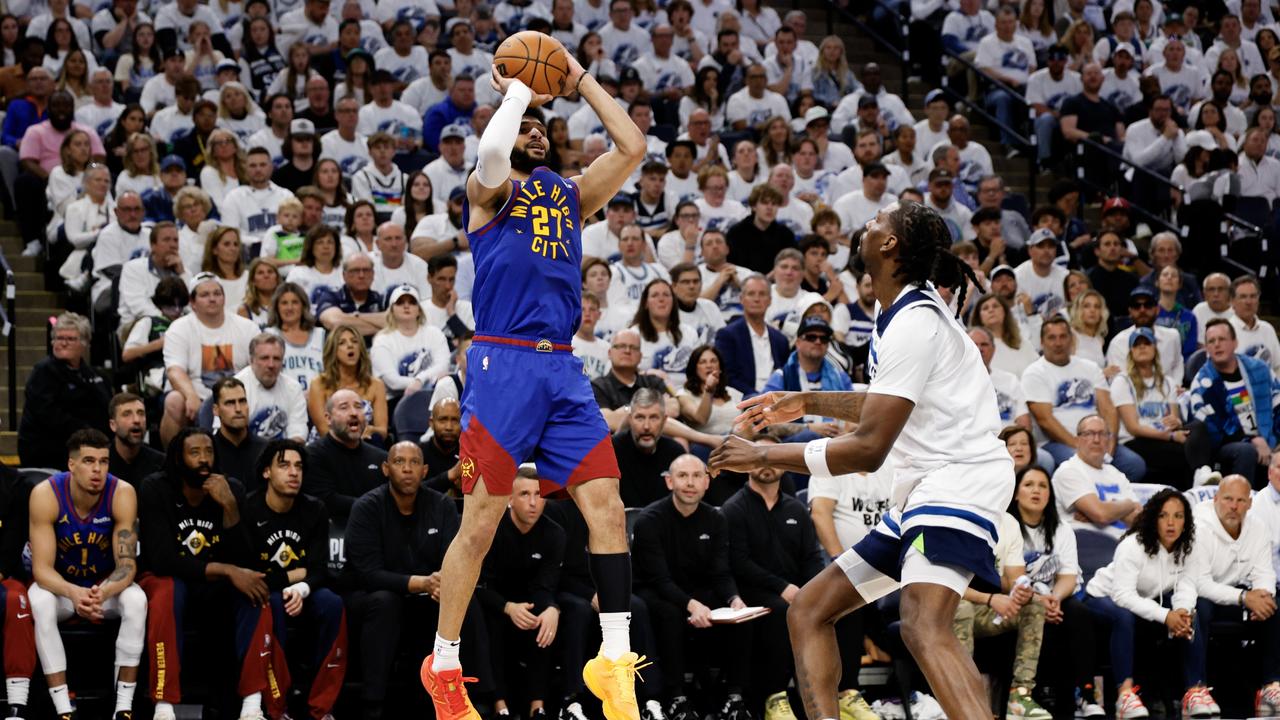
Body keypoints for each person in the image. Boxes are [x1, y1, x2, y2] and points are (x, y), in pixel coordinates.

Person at [709, 200, 1016, 720]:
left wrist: (762, 453)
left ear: (892, 244)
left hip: (960, 479)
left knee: (922, 623)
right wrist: (807, 401)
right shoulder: (892, 311)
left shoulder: (916, 322)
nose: (869, 223)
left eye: (880, 220)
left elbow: (870, 449)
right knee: (808, 610)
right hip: (924, 485)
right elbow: (887, 406)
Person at [421, 48, 649, 720]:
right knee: (479, 527)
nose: (536, 132)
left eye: (543, 125)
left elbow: (633, 143)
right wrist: (517, 94)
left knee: (608, 507)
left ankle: (613, 662)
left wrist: (576, 77)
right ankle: (444, 664)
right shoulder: (488, 192)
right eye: (527, 127)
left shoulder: (571, 195)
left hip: (562, 365)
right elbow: (492, 153)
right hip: (500, 364)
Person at [344, 441, 487, 720]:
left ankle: (479, 699)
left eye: (413, 463)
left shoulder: (443, 505)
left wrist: (443, 584)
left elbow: (454, 559)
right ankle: (372, 703)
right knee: (385, 603)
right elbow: (368, 574)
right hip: (372, 598)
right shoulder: (366, 507)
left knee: (465, 601)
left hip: (428, 597)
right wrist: (423, 583)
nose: (407, 469)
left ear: (425, 471)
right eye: (399, 462)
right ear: (386, 469)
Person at [137, 428, 259, 720]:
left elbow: (243, 559)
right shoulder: (156, 488)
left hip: (214, 585)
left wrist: (229, 507)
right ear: (178, 459)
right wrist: (227, 570)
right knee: (170, 589)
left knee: (255, 591)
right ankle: (164, 704)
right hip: (171, 580)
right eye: (195, 453)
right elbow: (163, 560)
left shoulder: (232, 490)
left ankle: (251, 701)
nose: (204, 460)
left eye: (209, 452)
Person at [28, 429, 146, 720]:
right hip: (62, 590)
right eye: (89, 461)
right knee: (39, 602)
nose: (98, 470)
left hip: (104, 589)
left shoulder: (122, 493)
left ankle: (124, 706)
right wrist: (73, 592)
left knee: (137, 601)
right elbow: (41, 569)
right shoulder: (46, 494)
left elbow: (128, 565)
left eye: (104, 461)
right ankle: (62, 708)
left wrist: (100, 593)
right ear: (71, 465)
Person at [236, 439, 347, 720]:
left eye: (298, 466)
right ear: (266, 472)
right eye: (284, 465)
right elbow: (252, 575)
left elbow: (322, 568)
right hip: (266, 593)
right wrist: (295, 575)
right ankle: (276, 706)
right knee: (268, 602)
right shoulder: (249, 508)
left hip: (305, 590)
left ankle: (322, 708)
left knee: (332, 604)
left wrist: (301, 586)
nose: (293, 472)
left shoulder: (314, 509)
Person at [721, 438, 824, 720]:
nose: (766, 465)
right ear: (747, 465)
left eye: (772, 457)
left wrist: (815, 591)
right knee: (782, 611)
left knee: (841, 609)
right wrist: (784, 587)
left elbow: (812, 558)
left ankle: (844, 692)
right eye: (759, 457)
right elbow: (739, 563)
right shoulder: (734, 508)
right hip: (752, 593)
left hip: (794, 592)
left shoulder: (796, 510)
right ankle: (773, 697)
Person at [1084, 489, 1199, 720]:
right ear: (1153, 517)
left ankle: (1193, 691)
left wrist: (1182, 610)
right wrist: (1166, 615)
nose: (1171, 523)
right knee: (1124, 617)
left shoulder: (1186, 546)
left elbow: (1186, 584)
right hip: (1101, 596)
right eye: (1163, 515)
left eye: (1178, 516)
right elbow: (1122, 596)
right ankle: (1125, 695)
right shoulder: (1133, 545)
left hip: (1144, 599)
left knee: (1192, 614)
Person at [1006, 465, 1101, 719]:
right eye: (1028, 485)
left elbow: (1068, 577)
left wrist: (1054, 599)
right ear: (1016, 493)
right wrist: (1039, 601)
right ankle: (1029, 695)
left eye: (1042, 486)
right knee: (1036, 615)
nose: (1036, 490)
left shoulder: (1061, 530)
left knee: (1079, 613)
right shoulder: (1007, 525)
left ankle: (1087, 694)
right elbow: (1007, 579)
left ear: (1049, 495)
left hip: (1052, 598)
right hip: (1017, 597)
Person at [475, 467, 566, 718]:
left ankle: (538, 706)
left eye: (539, 494)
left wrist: (551, 609)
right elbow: (480, 586)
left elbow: (545, 585)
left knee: (544, 621)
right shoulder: (490, 530)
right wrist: (507, 607)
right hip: (494, 602)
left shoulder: (555, 534)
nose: (534, 502)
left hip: (529, 602)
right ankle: (499, 704)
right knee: (491, 622)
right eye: (525, 494)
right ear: (509, 498)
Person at [1188, 474, 1280, 715]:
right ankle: (1196, 689)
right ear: (1216, 498)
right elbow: (1200, 583)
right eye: (1228, 499)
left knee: (1273, 605)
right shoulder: (1199, 525)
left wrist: (1264, 596)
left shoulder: (1257, 527)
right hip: (1197, 593)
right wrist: (1244, 598)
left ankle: (1271, 686)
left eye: (1241, 500)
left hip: (1233, 595)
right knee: (1199, 606)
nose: (1234, 506)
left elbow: (1264, 571)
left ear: (1249, 503)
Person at [951, 498, 1051, 720]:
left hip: (986, 612)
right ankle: (962, 699)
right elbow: (945, 584)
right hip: (947, 612)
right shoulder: (956, 518)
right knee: (963, 608)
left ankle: (1020, 696)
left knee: (1033, 606)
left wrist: (1020, 590)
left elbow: (1013, 577)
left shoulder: (1008, 523)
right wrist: (989, 599)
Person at [1023, 316, 1147, 481]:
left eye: (1063, 336)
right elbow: (1046, 421)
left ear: (1071, 339)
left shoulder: (1090, 367)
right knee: (1085, 469)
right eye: (1052, 337)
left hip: (1098, 439)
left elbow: (1108, 409)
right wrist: (1079, 446)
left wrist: (1109, 443)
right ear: (1042, 341)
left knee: (1135, 465)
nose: (1058, 343)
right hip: (1057, 443)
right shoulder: (1035, 373)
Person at [160, 272, 261, 444]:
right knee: (174, 400)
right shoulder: (179, 328)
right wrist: (190, 395)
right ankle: (173, 461)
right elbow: (175, 370)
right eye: (205, 295)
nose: (212, 299)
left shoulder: (247, 327)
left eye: (217, 293)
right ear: (192, 302)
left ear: (224, 297)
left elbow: (258, 366)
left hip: (238, 395)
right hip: (197, 394)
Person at [1187, 319, 1280, 488]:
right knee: (1246, 451)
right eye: (1211, 341)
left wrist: (1276, 443)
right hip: (1227, 446)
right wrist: (1252, 440)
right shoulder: (1203, 383)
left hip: (1268, 439)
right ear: (1206, 348)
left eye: (1222, 339)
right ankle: (1242, 501)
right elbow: (1214, 430)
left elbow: (1278, 403)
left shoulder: (1260, 369)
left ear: (1235, 343)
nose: (1217, 345)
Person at [17, 312, 111, 469]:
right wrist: (88, 432)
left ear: (84, 343)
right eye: (59, 338)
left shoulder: (94, 374)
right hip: (48, 449)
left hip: (87, 447)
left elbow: (106, 407)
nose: (63, 343)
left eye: (70, 339)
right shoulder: (43, 371)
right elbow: (48, 414)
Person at [1110, 327, 1193, 490]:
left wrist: (1175, 422)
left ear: (1155, 348)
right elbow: (1133, 428)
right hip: (1135, 441)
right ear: (1131, 352)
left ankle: (1200, 476)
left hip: (1162, 437)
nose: (1142, 347)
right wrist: (1169, 436)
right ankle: (1191, 489)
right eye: (1137, 344)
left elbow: (1174, 420)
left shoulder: (1168, 382)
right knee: (1181, 453)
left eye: (1147, 343)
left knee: (1197, 430)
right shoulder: (1122, 382)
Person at [1051, 414, 1143, 536]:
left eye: (1102, 434)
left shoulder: (1115, 473)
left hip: (1122, 544)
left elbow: (1140, 520)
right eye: (1089, 433)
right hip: (1088, 548)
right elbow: (1101, 514)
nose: (1096, 440)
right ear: (1077, 440)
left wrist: (1105, 513)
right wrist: (1128, 505)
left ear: (1109, 440)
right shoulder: (1068, 471)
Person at [305, 387, 388, 519]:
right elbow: (324, 500)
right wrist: (372, 507)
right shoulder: (312, 455)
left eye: (358, 407)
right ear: (328, 418)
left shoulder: (381, 457)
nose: (354, 413)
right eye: (344, 407)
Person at [713, 275, 789, 395]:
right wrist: (755, 397)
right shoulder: (727, 336)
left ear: (770, 300)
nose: (757, 299)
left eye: (762, 294)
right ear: (741, 299)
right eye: (751, 294)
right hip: (742, 401)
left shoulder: (780, 340)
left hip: (776, 401)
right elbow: (727, 376)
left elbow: (786, 375)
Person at [613, 389, 685, 509]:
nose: (646, 426)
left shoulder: (676, 454)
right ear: (630, 419)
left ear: (664, 420)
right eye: (640, 418)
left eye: (653, 418)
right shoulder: (613, 450)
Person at [234, 333, 308, 441]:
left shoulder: (293, 388)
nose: (271, 365)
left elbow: (298, 433)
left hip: (283, 453)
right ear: (251, 360)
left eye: (277, 358)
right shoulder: (236, 387)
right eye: (264, 358)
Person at [107, 392, 164, 486]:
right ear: (113, 425)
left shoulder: (161, 464)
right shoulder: (101, 464)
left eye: (141, 413)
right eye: (127, 414)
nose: (136, 420)